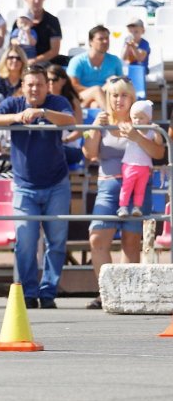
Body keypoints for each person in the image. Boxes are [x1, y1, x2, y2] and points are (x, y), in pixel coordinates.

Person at [0, 67, 76, 309]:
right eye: (30, 85)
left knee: (56, 242)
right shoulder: (13, 104)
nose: (35, 89)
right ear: (22, 87)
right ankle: (27, 291)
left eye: (39, 84)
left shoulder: (58, 102)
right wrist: (17, 117)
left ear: (48, 86)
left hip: (57, 183)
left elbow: (70, 120)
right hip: (24, 186)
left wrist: (43, 112)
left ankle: (48, 293)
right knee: (25, 241)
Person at [84, 78, 164, 309]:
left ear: (132, 98)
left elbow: (159, 152)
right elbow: (89, 153)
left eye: (124, 95)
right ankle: (105, 293)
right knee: (97, 238)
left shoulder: (143, 122)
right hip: (109, 186)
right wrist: (94, 130)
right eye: (114, 95)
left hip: (138, 188)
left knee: (131, 241)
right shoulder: (102, 121)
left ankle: (126, 294)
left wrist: (137, 136)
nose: (118, 100)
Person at [67, 25, 124, 109]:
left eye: (107, 38)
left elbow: (121, 84)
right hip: (81, 96)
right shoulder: (78, 61)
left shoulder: (115, 60)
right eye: (101, 39)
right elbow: (73, 85)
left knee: (96, 105)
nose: (105, 41)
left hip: (105, 96)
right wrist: (97, 91)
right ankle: (113, 120)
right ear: (90, 41)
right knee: (97, 90)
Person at [11, 0, 66, 66]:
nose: (37, 1)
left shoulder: (52, 21)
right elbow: (12, 45)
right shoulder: (19, 21)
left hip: (44, 63)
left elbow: (54, 50)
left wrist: (34, 60)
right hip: (21, 62)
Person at [117, 100, 155, 218]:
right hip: (130, 164)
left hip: (144, 167)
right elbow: (121, 130)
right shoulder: (130, 128)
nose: (137, 120)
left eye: (141, 117)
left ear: (148, 118)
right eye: (135, 117)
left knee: (140, 189)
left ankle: (137, 207)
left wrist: (156, 131)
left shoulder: (151, 131)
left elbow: (159, 143)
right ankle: (122, 207)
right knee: (127, 187)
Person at [46, 64, 84, 166]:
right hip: (50, 147)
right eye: (47, 80)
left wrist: (64, 140)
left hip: (69, 148)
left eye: (53, 80)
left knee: (48, 150)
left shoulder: (73, 101)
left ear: (63, 81)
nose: (49, 83)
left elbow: (80, 131)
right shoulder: (44, 100)